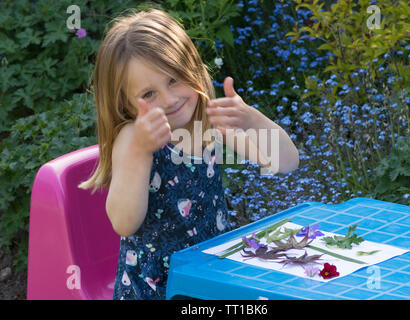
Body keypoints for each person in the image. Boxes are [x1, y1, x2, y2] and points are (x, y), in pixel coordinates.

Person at [78, 8, 299, 300]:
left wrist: (251, 119)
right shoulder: (132, 138)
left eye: (173, 79)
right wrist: (142, 152)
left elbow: (285, 162)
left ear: (192, 67)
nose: (169, 100)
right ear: (126, 105)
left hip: (210, 278)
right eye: (148, 94)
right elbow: (123, 222)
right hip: (156, 290)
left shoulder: (207, 122)